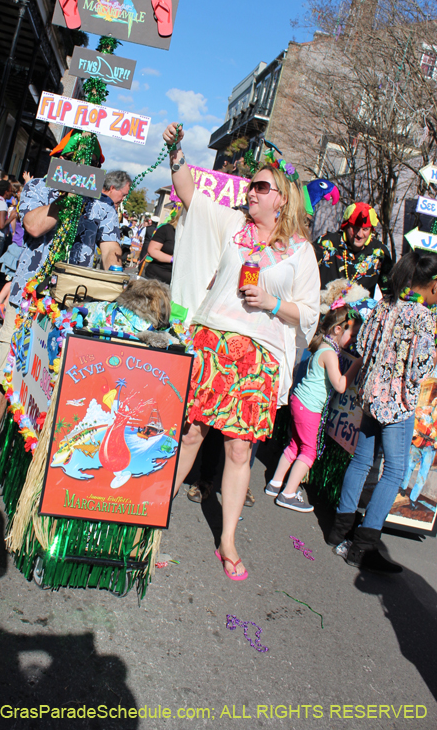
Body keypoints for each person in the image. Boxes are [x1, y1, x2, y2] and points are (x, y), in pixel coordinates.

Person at [166, 122, 320, 580]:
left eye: (261, 186)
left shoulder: (300, 252)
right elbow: (189, 193)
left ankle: (228, 539)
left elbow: (309, 314)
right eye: (251, 185)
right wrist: (176, 151)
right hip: (213, 342)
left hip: (258, 357)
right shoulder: (234, 224)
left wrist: (273, 302)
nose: (251, 191)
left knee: (238, 451)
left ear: (282, 198)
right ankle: (153, 511)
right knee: (191, 433)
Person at [0, 131, 130, 474]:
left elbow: (109, 252)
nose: (81, 168)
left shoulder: (103, 206)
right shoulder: (39, 187)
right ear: (62, 162)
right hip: (28, 298)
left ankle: (38, 453)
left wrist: (114, 264)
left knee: (53, 381)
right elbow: (33, 226)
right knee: (5, 371)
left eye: (88, 164)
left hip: (70, 308)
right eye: (74, 162)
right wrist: (68, 197)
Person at [327, 250, 437, 572]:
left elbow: (362, 348)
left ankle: (339, 530)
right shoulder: (425, 318)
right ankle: (364, 545)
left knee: (361, 462)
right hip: (397, 403)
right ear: (432, 284)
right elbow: (422, 369)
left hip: (370, 395)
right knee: (394, 471)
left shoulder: (384, 305)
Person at [265, 304, 362, 511]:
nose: (353, 341)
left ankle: (275, 483)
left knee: (294, 445)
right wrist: (358, 364)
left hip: (299, 402)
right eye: (352, 335)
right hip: (309, 407)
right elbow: (340, 385)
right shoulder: (330, 353)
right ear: (338, 329)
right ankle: (288, 493)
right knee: (309, 451)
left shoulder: (323, 346)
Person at [314, 202, 393, 295]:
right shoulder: (325, 243)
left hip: (361, 308)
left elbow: (389, 291)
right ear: (346, 226)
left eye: (365, 229)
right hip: (325, 307)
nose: (359, 235)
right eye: (355, 228)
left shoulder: (380, 252)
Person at [144, 213, 178, 285]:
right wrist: (174, 259)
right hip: (156, 279)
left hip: (177, 282)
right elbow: (152, 250)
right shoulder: (167, 229)